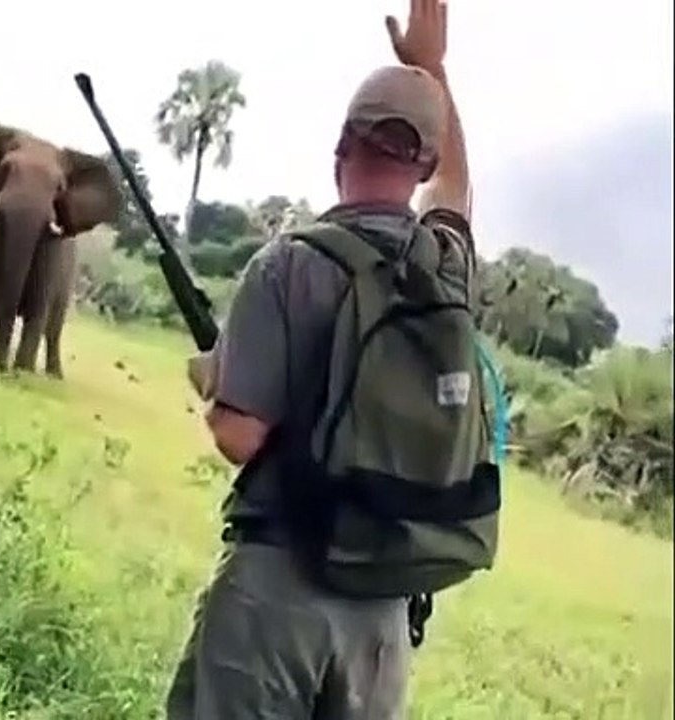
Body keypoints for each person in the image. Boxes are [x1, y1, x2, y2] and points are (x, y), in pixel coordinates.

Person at [168, 1, 479, 718]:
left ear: (340, 148)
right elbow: (457, 190)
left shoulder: (286, 264)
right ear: (422, 162)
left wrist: (215, 384)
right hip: (386, 613)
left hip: (278, 588)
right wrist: (433, 70)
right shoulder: (447, 266)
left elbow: (239, 435)